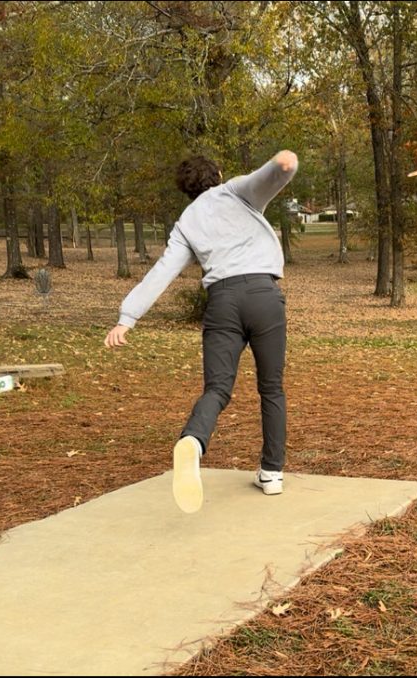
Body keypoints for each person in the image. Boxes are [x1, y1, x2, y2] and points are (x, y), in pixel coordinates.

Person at [104, 150, 298, 513]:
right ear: (219, 174)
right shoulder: (238, 191)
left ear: (186, 191)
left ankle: (193, 441)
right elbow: (269, 176)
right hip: (263, 297)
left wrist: (126, 318)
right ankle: (272, 472)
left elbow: (162, 271)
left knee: (217, 388)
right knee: (271, 387)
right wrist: (285, 164)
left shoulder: (186, 221)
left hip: (222, 302)